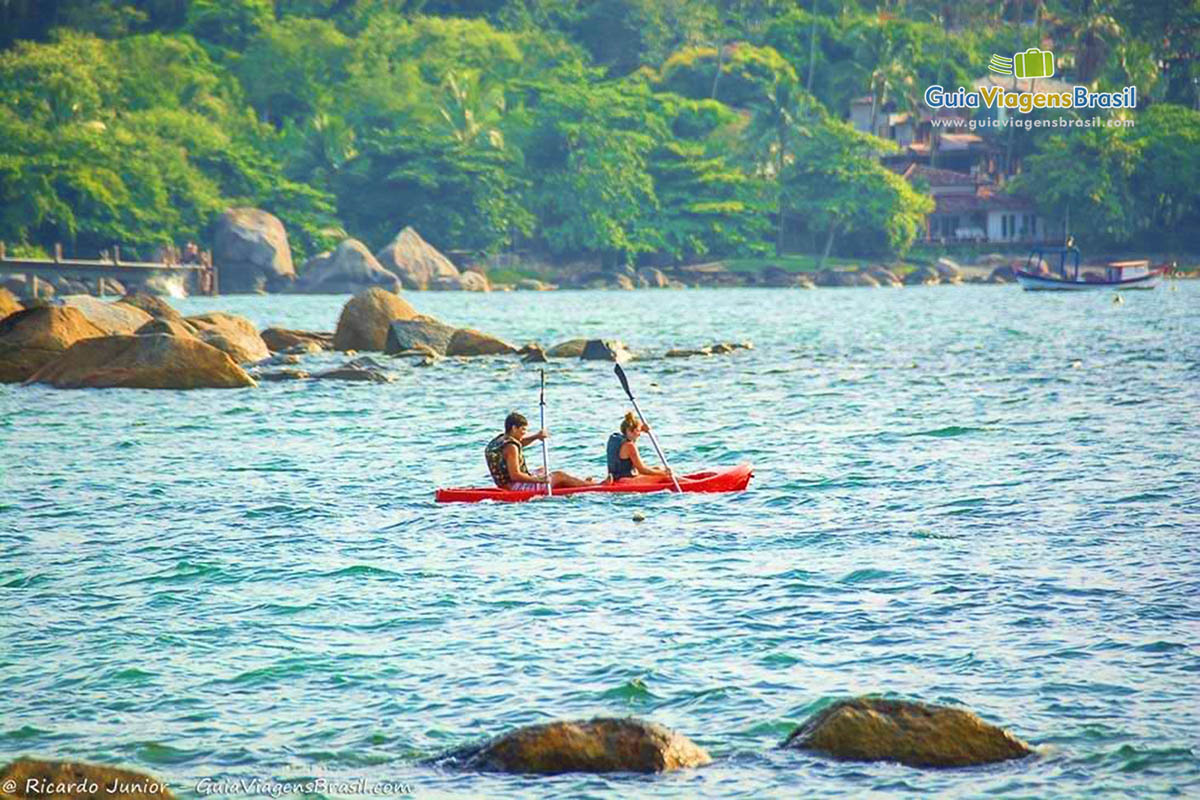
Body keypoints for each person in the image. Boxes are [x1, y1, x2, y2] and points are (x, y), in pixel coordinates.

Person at [485, 412, 595, 491]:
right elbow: (515, 476)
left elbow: (520, 444)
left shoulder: (500, 441)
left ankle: (581, 483)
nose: (524, 433)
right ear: (514, 428)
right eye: (523, 429)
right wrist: (539, 481)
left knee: (543, 469)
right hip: (515, 487)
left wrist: (536, 436)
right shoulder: (511, 447)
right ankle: (593, 486)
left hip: (505, 484)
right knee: (559, 475)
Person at [606, 411, 673, 481]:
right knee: (665, 477)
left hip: (618, 477)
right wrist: (664, 473)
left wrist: (660, 471)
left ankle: (681, 480)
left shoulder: (616, 439)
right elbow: (642, 470)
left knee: (658, 468)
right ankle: (683, 483)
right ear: (631, 430)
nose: (640, 434)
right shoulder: (629, 446)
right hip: (626, 480)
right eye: (638, 431)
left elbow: (631, 435)